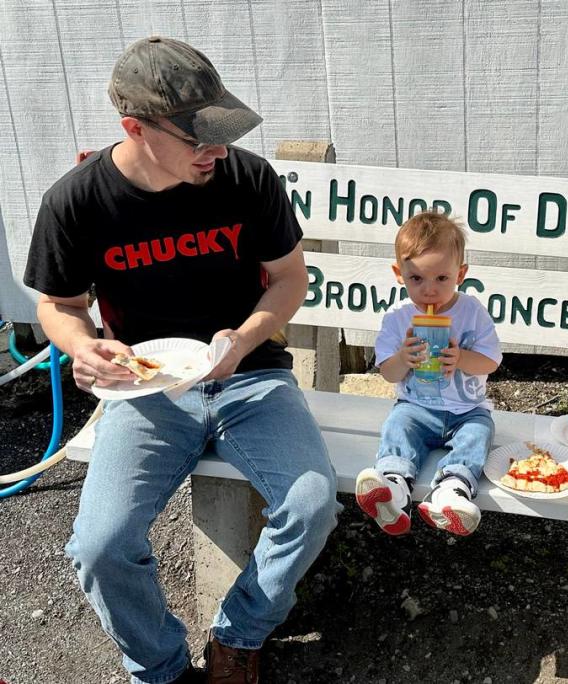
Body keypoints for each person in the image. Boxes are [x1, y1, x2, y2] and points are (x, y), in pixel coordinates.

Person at [23, 37, 340, 684]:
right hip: (147, 387)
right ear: (133, 129)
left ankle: (238, 636)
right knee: (99, 546)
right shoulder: (77, 202)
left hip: (250, 377)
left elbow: (288, 279)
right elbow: (57, 304)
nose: (216, 149)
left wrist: (245, 339)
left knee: (311, 506)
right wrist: (85, 347)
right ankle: (161, 669)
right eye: (198, 135)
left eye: (221, 128)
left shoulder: (247, 179)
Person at [354, 211, 502, 536]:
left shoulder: (473, 312)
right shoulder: (398, 317)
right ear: (399, 274)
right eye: (417, 279)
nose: (429, 291)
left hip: (467, 411)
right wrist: (404, 358)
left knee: (480, 432)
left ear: (460, 274)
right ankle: (393, 487)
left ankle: (452, 490)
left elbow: (490, 362)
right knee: (398, 423)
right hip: (417, 409)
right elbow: (389, 374)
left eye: (442, 279)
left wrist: (461, 358)